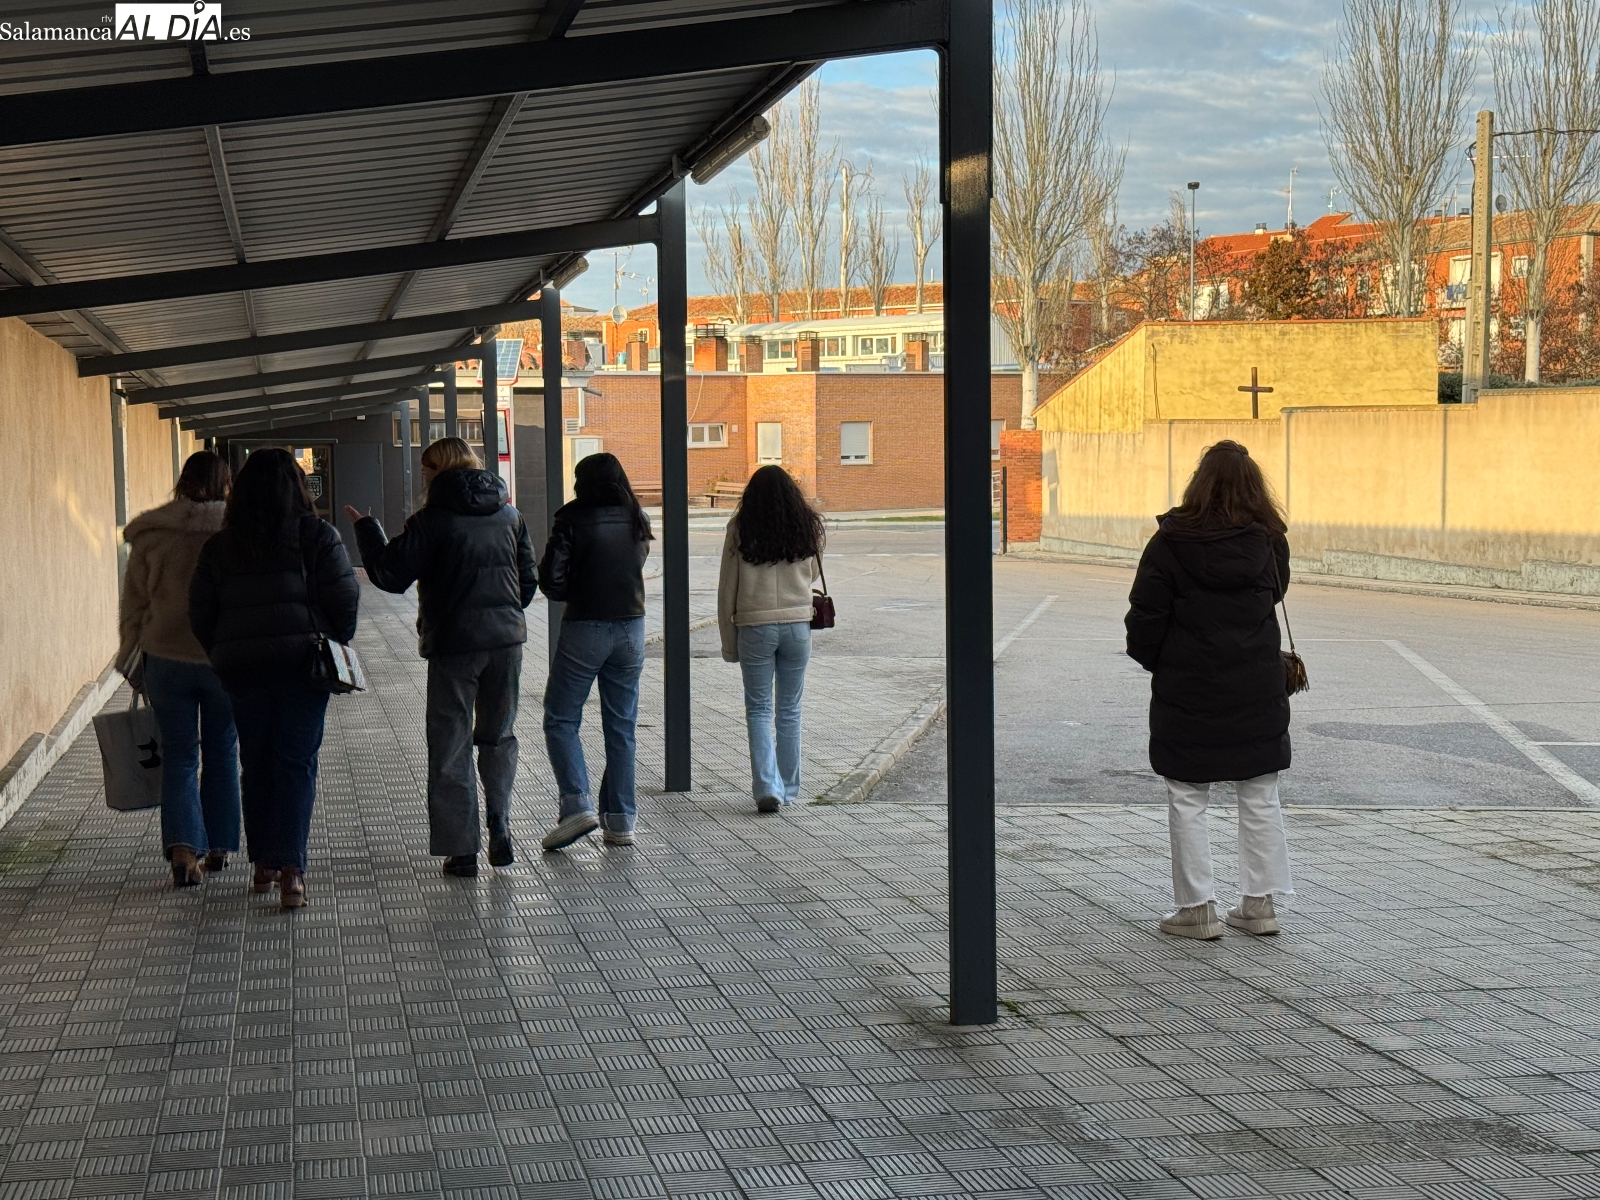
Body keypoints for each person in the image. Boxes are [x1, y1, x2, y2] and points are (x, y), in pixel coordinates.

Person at [1124, 440, 1295, 940]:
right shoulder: (1269, 541)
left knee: (1186, 795)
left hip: (1188, 686)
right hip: (1257, 685)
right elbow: (1275, 593)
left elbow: (1146, 615)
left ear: (1199, 481)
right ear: (1254, 486)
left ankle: (1197, 909)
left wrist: (1162, 662)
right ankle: (1259, 906)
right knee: (1261, 793)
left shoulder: (1171, 542)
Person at [345, 438, 538, 878]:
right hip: (506, 644)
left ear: (436, 471)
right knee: (499, 736)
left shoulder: (431, 520)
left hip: (454, 645)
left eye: (426, 470)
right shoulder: (510, 515)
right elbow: (528, 584)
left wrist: (367, 530)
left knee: (451, 745)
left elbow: (391, 576)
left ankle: (462, 850)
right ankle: (500, 822)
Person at [189, 448, 359, 910]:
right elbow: (345, 598)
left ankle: (264, 862)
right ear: (298, 488)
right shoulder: (317, 536)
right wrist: (331, 640)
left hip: (243, 671)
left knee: (256, 762)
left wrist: (223, 652)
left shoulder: (220, 546)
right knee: (296, 763)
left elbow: (201, 612)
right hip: (303, 666)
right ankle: (291, 872)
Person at [117, 451, 239, 888]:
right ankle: (221, 844)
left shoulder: (154, 534)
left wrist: (130, 657)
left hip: (165, 657)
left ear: (181, 482)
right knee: (223, 751)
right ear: (227, 483)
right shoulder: (237, 531)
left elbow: (135, 604)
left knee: (180, 756)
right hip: (223, 659)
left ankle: (185, 853)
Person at [538, 453, 650, 851]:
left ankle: (576, 806)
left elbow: (551, 580)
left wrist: (579, 591)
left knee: (561, 718)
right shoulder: (636, 515)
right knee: (621, 726)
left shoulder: (571, 517)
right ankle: (621, 821)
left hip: (585, 626)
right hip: (632, 626)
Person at [716, 465, 823, 813]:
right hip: (797, 625)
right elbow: (813, 572)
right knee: (790, 710)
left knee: (759, 709)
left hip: (754, 627)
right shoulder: (806, 525)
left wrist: (729, 645)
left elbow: (727, 589)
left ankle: (767, 788)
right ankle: (790, 788)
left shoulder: (740, 528)